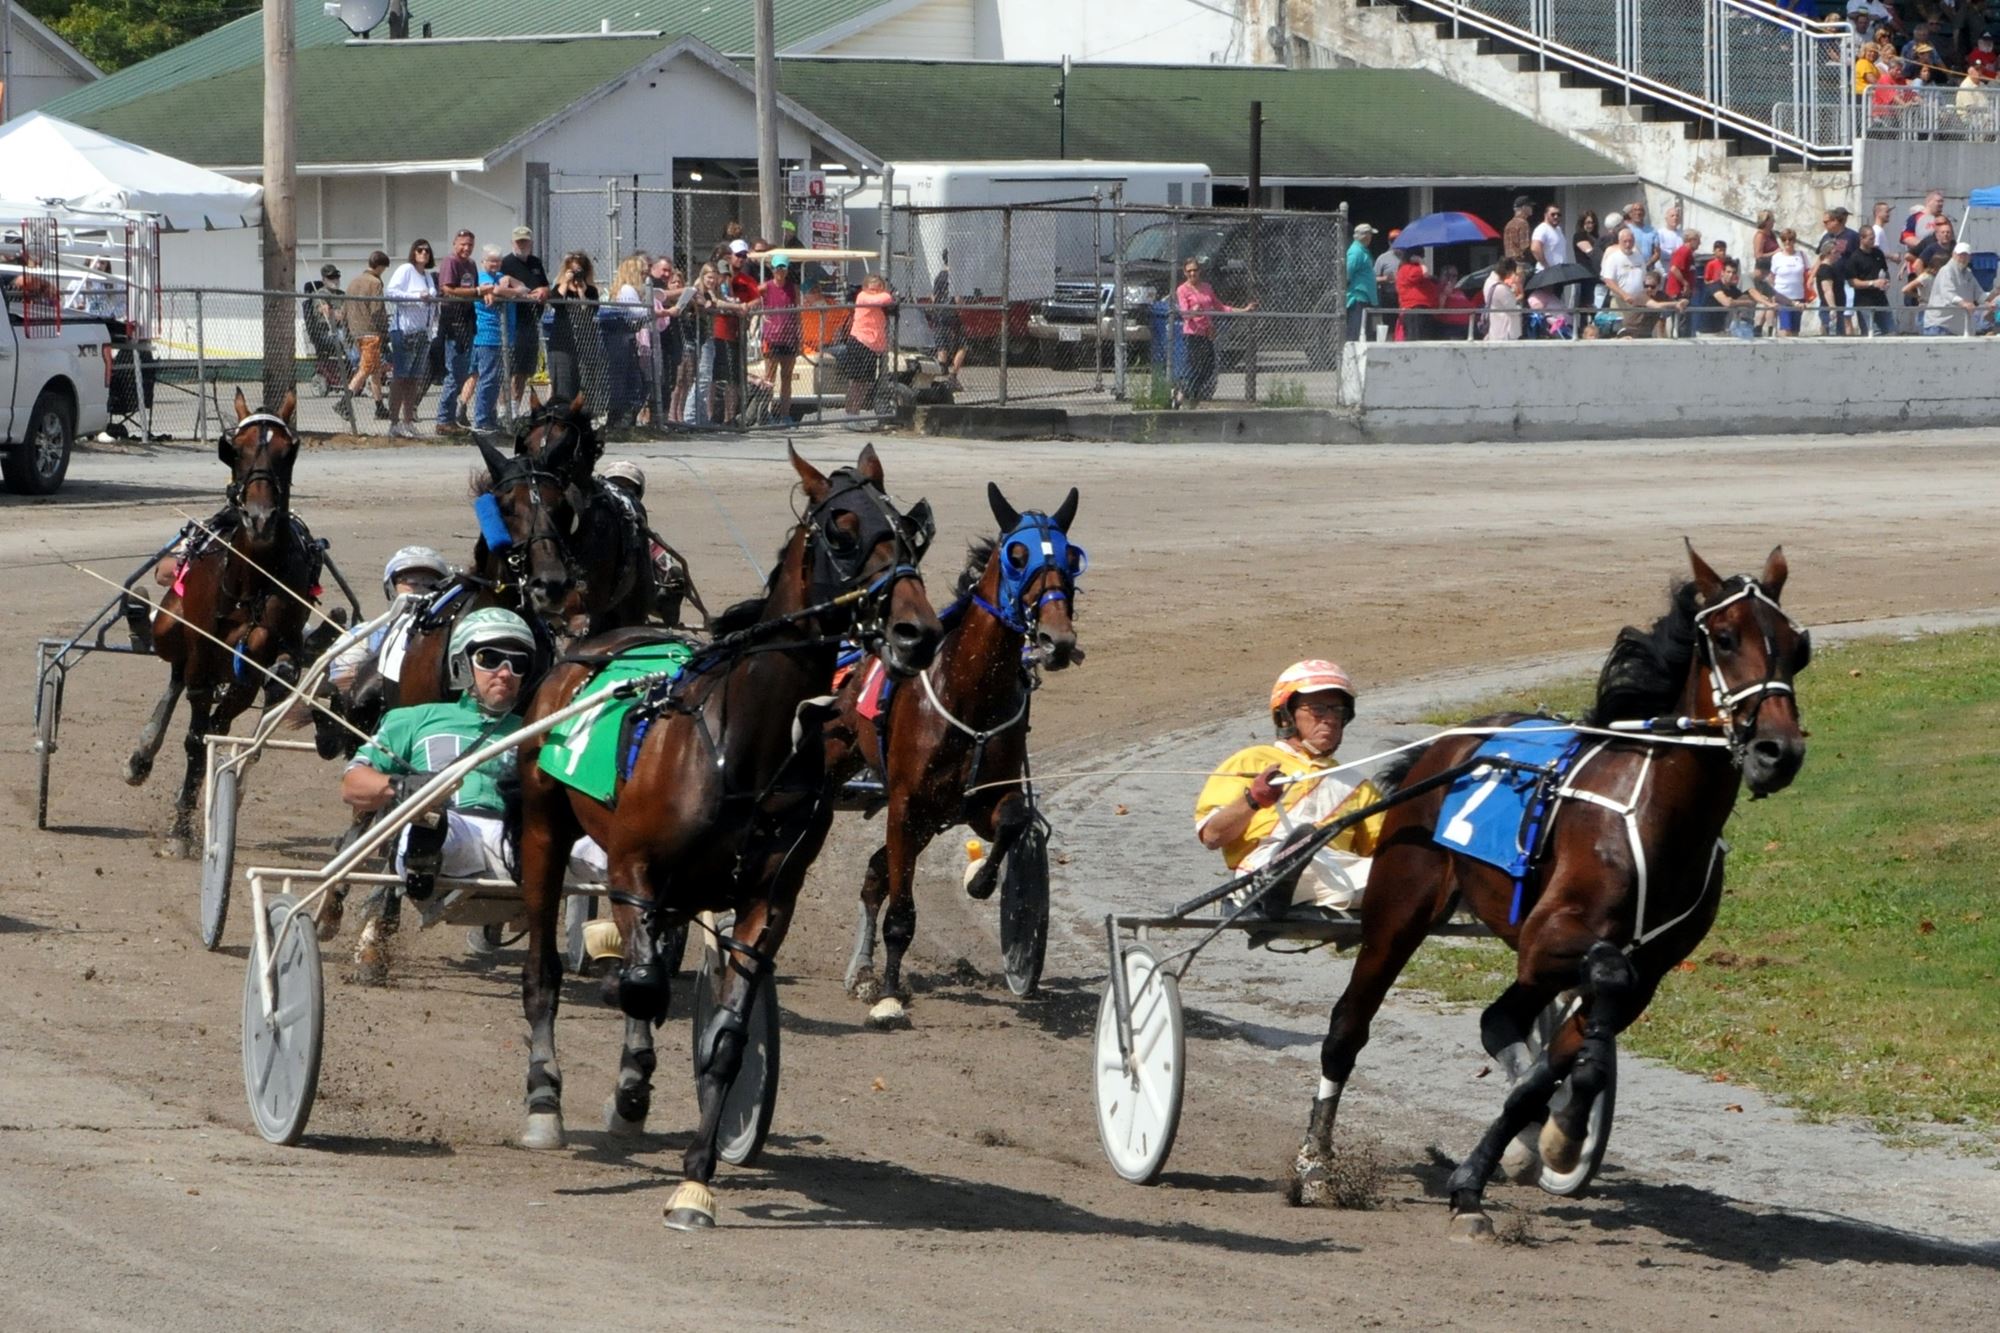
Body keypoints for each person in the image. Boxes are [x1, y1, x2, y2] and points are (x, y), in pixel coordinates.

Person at [1192, 661, 1387, 922]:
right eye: (1318, 709)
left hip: (1336, 874)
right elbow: (1212, 836)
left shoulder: (1358, 784)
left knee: (1401, 877)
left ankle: (1291, 875)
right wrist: (1253, 799)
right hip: (1263, 864)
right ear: (1286, 715)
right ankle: (1276, 877)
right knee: (1300, 853)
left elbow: (1384, 850)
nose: (1330, 718)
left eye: (1338, 710)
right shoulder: (1251, 760)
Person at [328, 545, 451, 695]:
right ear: (391, 588)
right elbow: (340, 686)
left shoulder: (452, 635)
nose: (421, 589)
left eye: (431, 584)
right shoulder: (366, 636)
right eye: (411, 582)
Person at [383, 239, 437, 438]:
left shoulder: (428, 276)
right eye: (419, 250)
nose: (423, 253)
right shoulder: (406, 270)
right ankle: (393, 422)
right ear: (413, 252)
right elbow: (391, 292)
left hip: (423, 332)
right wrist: (416, 296)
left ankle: (408, 421)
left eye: (427, 251)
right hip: (405, 332)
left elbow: (432, 298)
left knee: (414, 379)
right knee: (401, 377)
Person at [471, 245, 524, 431]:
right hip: (488, 335)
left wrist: (509, 279)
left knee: (498, 380)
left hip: (505, 336)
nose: (495, 264)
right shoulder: (481, 277)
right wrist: (511, 291)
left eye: (498, 261)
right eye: (492, 261)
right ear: (483, 261)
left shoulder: (501, 276)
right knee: (488, 379)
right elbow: (495, 291)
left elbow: (524, 288)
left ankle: (491, 418)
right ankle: (481, 420)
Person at [500, 226, 552, 419]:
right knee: (509, 368)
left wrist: (544, 291)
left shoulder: (535, 262)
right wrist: (522, 293)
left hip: (532, 322)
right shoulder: (506, 263)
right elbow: (501, 289)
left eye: (525, 241)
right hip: (513, 323)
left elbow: (545, 286)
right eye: (518, 241)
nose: (522, 245)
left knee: (523, 369)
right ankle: (503, 409)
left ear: (531, 243)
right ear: (512, 243)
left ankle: (515, 407)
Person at [434, 230, 479, 436]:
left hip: (468, 320)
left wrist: (481, 293)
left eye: (470, 245)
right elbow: (448, 289)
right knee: (454, 372)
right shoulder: (450, 262)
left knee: (462, 372)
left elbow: (475, 288)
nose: (466, 248)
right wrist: (476, 292)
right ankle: (444, 419)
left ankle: (450, 418)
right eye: (463, 244)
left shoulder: (471, 264)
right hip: (453, 321)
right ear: (455, 244)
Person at [341, 251, 391, 427]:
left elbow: (344, 310)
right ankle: (344, 402)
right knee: (366, 368)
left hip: (356, 331)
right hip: (371, 331)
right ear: (380, 266)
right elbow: (377, 310)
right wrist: (384, 330)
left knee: (375, 370)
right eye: (384, 268)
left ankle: (379, 406)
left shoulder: (353, 282)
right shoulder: (375, 283)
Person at [546, 251, 601, 407]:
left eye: (579, 271)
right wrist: (565, 282)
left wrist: (582, 292)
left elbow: (589, 310)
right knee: (564, 380)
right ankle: (562, 412)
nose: (576, 274)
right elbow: (555, 303)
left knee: (585, 381)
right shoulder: (560, 288)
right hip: (563, 340)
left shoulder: (591, 291)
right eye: (573, 270)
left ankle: (582, 413)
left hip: (584, 341)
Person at [603, 253, 650, 430]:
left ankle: (622, 420)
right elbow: (636, 312)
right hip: (620, 339)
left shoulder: (627, 290)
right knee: (628, 381)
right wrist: (653, 307)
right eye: (642, 273)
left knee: (630, 380)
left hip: (625, 338)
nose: (645, 277)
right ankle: (618, 420)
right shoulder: (627, 289)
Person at [758, 252, 803, 422]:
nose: (780, 271)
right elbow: (752, 298)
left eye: (783, 268)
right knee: (769, 378)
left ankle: (785, 415)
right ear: (772, 269)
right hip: (771, 338)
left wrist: (800, 336)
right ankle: (764, 414)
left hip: (789, 338)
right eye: (777, 268)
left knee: (787, 377)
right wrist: (761, 313)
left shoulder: (793, 289)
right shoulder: (766, 287)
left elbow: (798, 314)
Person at [842, 271, 895, 416]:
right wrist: (885, 294)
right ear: (865, 288)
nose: (875, 292)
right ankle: (850, 415)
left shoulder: (880, 300)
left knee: (865, 383)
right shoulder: (862, 296)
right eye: (872, 289)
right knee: (857, 382)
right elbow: (886, 298)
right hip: (860, 342)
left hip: (872, 347)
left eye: (879, 288)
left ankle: (854, 413)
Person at [1924, 241, 1987, 334]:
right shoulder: (1946, 270)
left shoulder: (1968, 273)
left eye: (1966, 255)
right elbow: (1948, 294)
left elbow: (1979, 294)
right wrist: (1964, 303)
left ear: (1970, 258)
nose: (1963, 258)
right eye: (1960, 255)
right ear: (1953, 255)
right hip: (1939, 325)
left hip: (1956, 328)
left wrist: (1989, 302)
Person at [302, 262, 349, 388]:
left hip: (344, 328)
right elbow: (327, 312)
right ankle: (356, 367)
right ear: (324, 280)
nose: (335, 280)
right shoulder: (320, 295)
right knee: (344, 337)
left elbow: (349, 312)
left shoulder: (342, 295)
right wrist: (339, 314)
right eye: (331, 277)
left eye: (336, 277)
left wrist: (343, 314)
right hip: (325, 332)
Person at [1845, 225, 1894, 335]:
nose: (1874, 241)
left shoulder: (1878, 253)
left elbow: (1885, 271)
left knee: (1891, 331)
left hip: (1881, 300)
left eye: (1874, 238)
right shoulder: (1854, 258)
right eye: (1871, 239)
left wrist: (1886, 281)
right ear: (1862, 238)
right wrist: (1872, 283)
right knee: (1873, 333)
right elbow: (1852, 282)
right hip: (1864, 303)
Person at [930, 249, 968, 390]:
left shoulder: (939, 276)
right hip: (951, 314)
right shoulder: (954, 277)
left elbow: (934, 297)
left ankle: (939, 377)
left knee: (942, 345)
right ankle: (953, 376)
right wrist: (963, 304)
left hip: (939, 314)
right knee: (962, 345)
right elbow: (957, 299)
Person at [1768, 229, 1809, 336]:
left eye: (1790, 239)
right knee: (1786, 329)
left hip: (1798, 296)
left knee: (1795, 331)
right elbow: (1771, 277)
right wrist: (1772, 295)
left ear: (1794, 240)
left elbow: (1808, 274)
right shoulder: (1777, 257)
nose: (1787, 242)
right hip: (1782, 296)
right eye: (1784, 239)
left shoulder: (1801, 255)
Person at [1706, 260, 1760, 339]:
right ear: (1722, 273)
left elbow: (1750, 299)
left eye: (1733, 273)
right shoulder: (1715, 286)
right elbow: (1727, 303)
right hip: (1707, 333)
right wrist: (1746, 303)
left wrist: (1735, 301)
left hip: (1721, 331)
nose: (1731, 275)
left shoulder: (1733, 289)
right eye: (1728, 272)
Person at [1394, 248, 1439, 342]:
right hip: (1415, 309)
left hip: (1423, 309)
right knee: (1416, 341)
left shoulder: (1407, 269)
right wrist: (1421, 262)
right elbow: (1423, 273)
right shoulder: (1409, 268)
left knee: (1424, 340)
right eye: (1421, 256)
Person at [1344, 222, 1378, 343]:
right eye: (1370, 235)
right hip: (1357, 298)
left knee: (1364, 332)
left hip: (1365, 298)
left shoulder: (1363, 251)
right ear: (1365, 236)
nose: (1371, 238)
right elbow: (1347, 273)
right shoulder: (1356, 252)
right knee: (1356, 331)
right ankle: (1352, 354)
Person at [1570, 208, 1602, 309]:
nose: (1590, 225)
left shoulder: (1595, 237)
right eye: (1588, 222)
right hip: (1584, 275)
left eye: (1592, 223)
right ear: (1582, 223)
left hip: (1595, 275)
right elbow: (1590, 252)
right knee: (1585, 305)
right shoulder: (1580, 235)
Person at [1484, 264, 1524, 341]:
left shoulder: (1490, 283)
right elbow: (1512, 309)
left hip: (1499, 325)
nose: (1519, 278)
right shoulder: (1503, 286)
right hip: (1505, 328)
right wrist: (1518, 304)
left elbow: (1521, 294)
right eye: (1517, 275)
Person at [1502, 196, 1535, 271]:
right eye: (1530, 206)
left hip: (1509, 264)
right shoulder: (1523, 223)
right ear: (1524, 207)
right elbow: (1525, 246)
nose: (1532, 208)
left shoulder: (1509, 224)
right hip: (1520, 264)